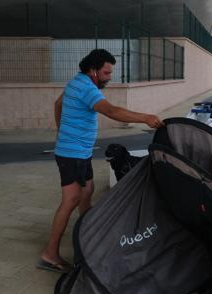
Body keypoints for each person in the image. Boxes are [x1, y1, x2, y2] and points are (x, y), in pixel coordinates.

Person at [38, 49, 165, 273]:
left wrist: (62, 131)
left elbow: (58, 104)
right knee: (71, 199)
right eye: (107, 72)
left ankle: (90, 238)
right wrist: (145, 118)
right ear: (94, 70)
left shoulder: (76, 82)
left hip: (79, 152)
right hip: (72, 154)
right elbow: (112, 111)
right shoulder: (87, 88)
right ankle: (50, 254)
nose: (109, 77)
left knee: (87, 192)